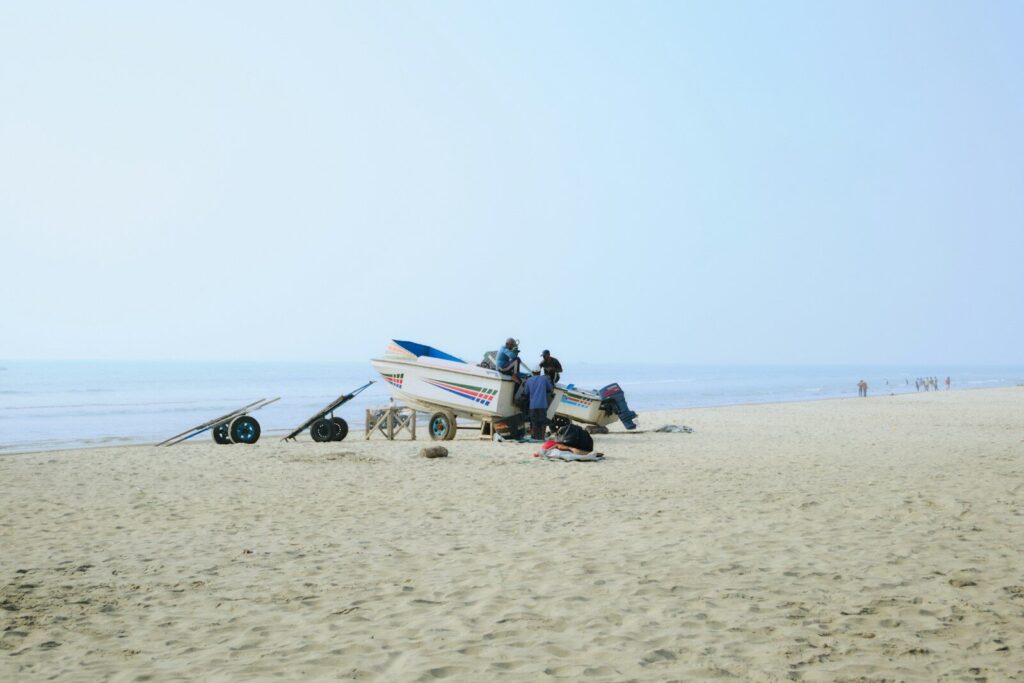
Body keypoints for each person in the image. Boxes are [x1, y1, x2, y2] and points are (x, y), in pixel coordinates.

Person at [522, 370, 553, 439]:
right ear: (540, 372)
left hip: (533, 405)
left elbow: (526, 392)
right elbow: (550, 389)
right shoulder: (544, 379)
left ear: (532, 373)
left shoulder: (529, 380)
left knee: (534, 422)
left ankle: (535, 437)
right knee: (543, 422)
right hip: (543, 404)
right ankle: (542, 437)